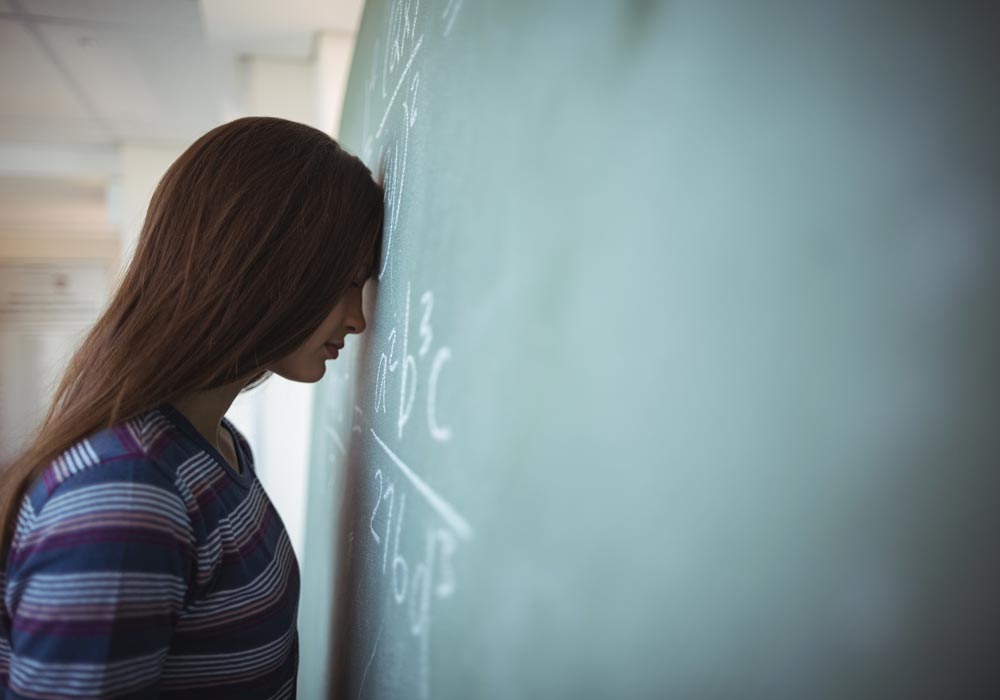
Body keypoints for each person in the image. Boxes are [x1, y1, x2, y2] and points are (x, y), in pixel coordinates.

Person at [0, 116, 384, 699]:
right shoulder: (126, 496)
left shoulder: (215, 445)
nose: (357, 318)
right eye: (341, 282)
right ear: (264, 267)